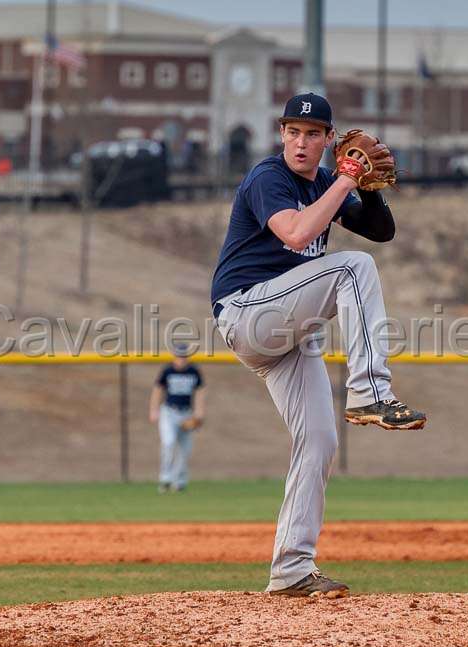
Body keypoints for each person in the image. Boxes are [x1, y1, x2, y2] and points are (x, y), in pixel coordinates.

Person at [210, 92, 425, 598]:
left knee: (321, 442)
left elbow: (382, 230)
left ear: (329, 140)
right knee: (353, 268)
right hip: (247, 310)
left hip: (286, 330)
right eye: (292, 131)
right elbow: (296, 232)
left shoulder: (327, 180)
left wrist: (366, 188)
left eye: (312, 134)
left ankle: (290, 568)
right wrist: (348, 178)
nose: (300, 142)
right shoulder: (270, 177)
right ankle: (370, 390)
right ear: (281, 135)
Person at [149, 344, 205, 493]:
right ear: (174, 356)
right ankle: (165, 478)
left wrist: (199, 413)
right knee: (168, 442)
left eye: (184, 356)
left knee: (185, 449)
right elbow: (157, 390)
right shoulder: (168, 370)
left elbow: (199, 391)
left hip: (186, 413)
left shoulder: (193, 371)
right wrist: (153, 410)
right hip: (169, 412)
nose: (182, 359)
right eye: (179, 356)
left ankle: (179, 481)